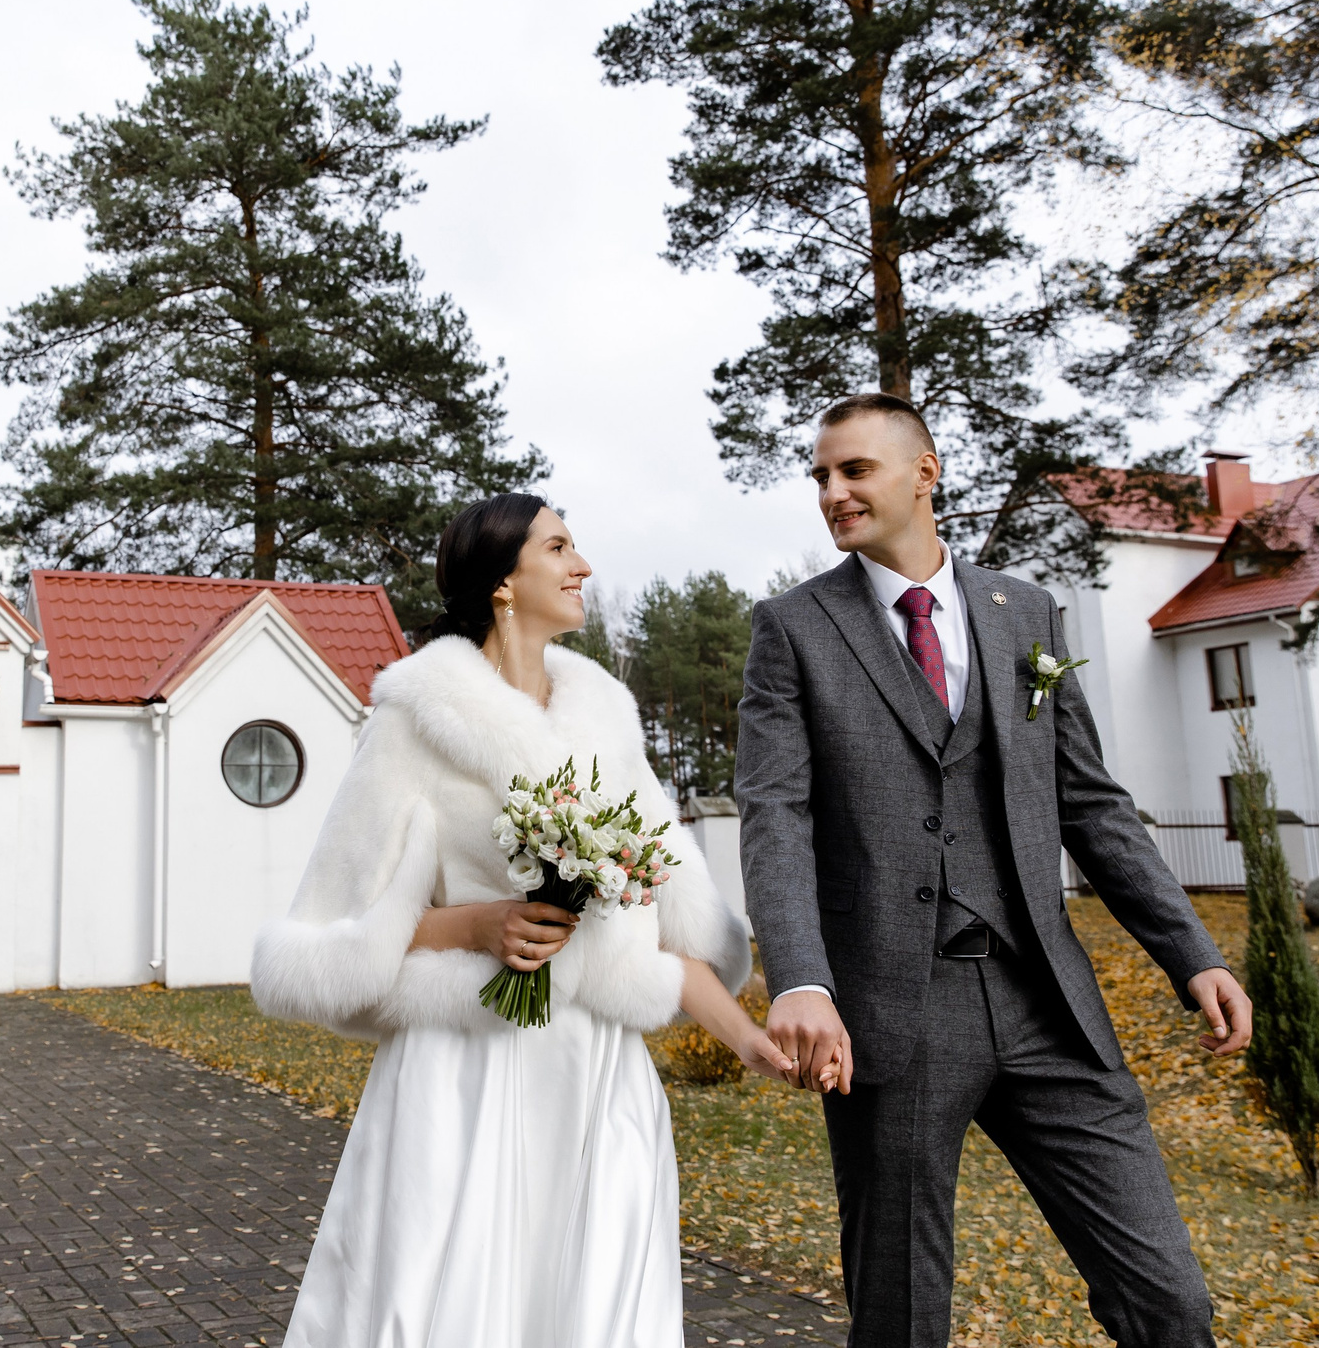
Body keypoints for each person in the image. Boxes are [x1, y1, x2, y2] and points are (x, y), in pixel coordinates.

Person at [734, 394, 1252, 1348]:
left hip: (1043, 998)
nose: (833, 491)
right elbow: (777, 816)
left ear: (925, 473)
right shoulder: (794, 627)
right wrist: (800, 977)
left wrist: (1194, 954)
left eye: (855, 470)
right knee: (900, 1318)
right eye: (821, 476)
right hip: (892, 1008)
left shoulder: (1026, 612)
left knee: (1169, 1300)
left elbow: (1091, 804)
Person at [253, 493, 801, 1348]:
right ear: (503, 581)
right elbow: (338, 929)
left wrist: (746, 1038)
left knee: (603, 1306)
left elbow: (660, 923)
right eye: (558, 546)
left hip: (597, 1075)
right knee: (451, 1303)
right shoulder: (413, 721)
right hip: (462, 1074)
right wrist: (476, 926)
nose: (582, 565)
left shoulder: (606, 719)